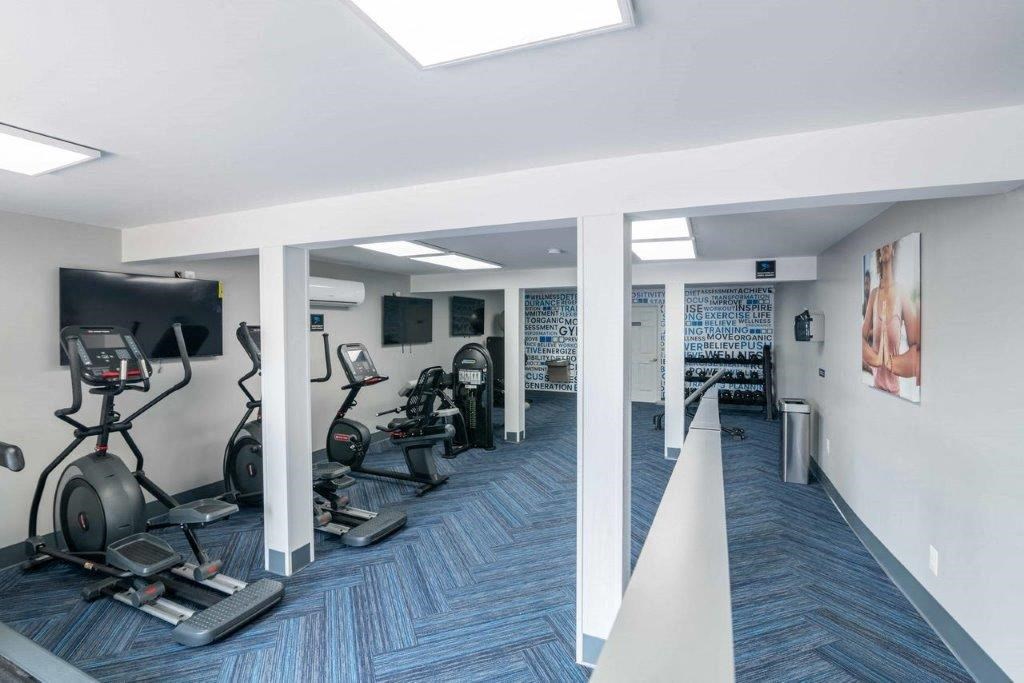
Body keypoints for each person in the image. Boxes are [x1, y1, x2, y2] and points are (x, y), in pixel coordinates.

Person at [861, 241, 920, 395]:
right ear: (879, 254)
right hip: (875, 387)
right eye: (881, 246)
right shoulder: (874, 294)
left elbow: (917, 349)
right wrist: (876, 359)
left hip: (894, 390)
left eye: (888, 244)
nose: (884, 247)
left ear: (893, 249)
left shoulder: (902, 293)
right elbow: (859, 339)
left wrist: (890, 363)